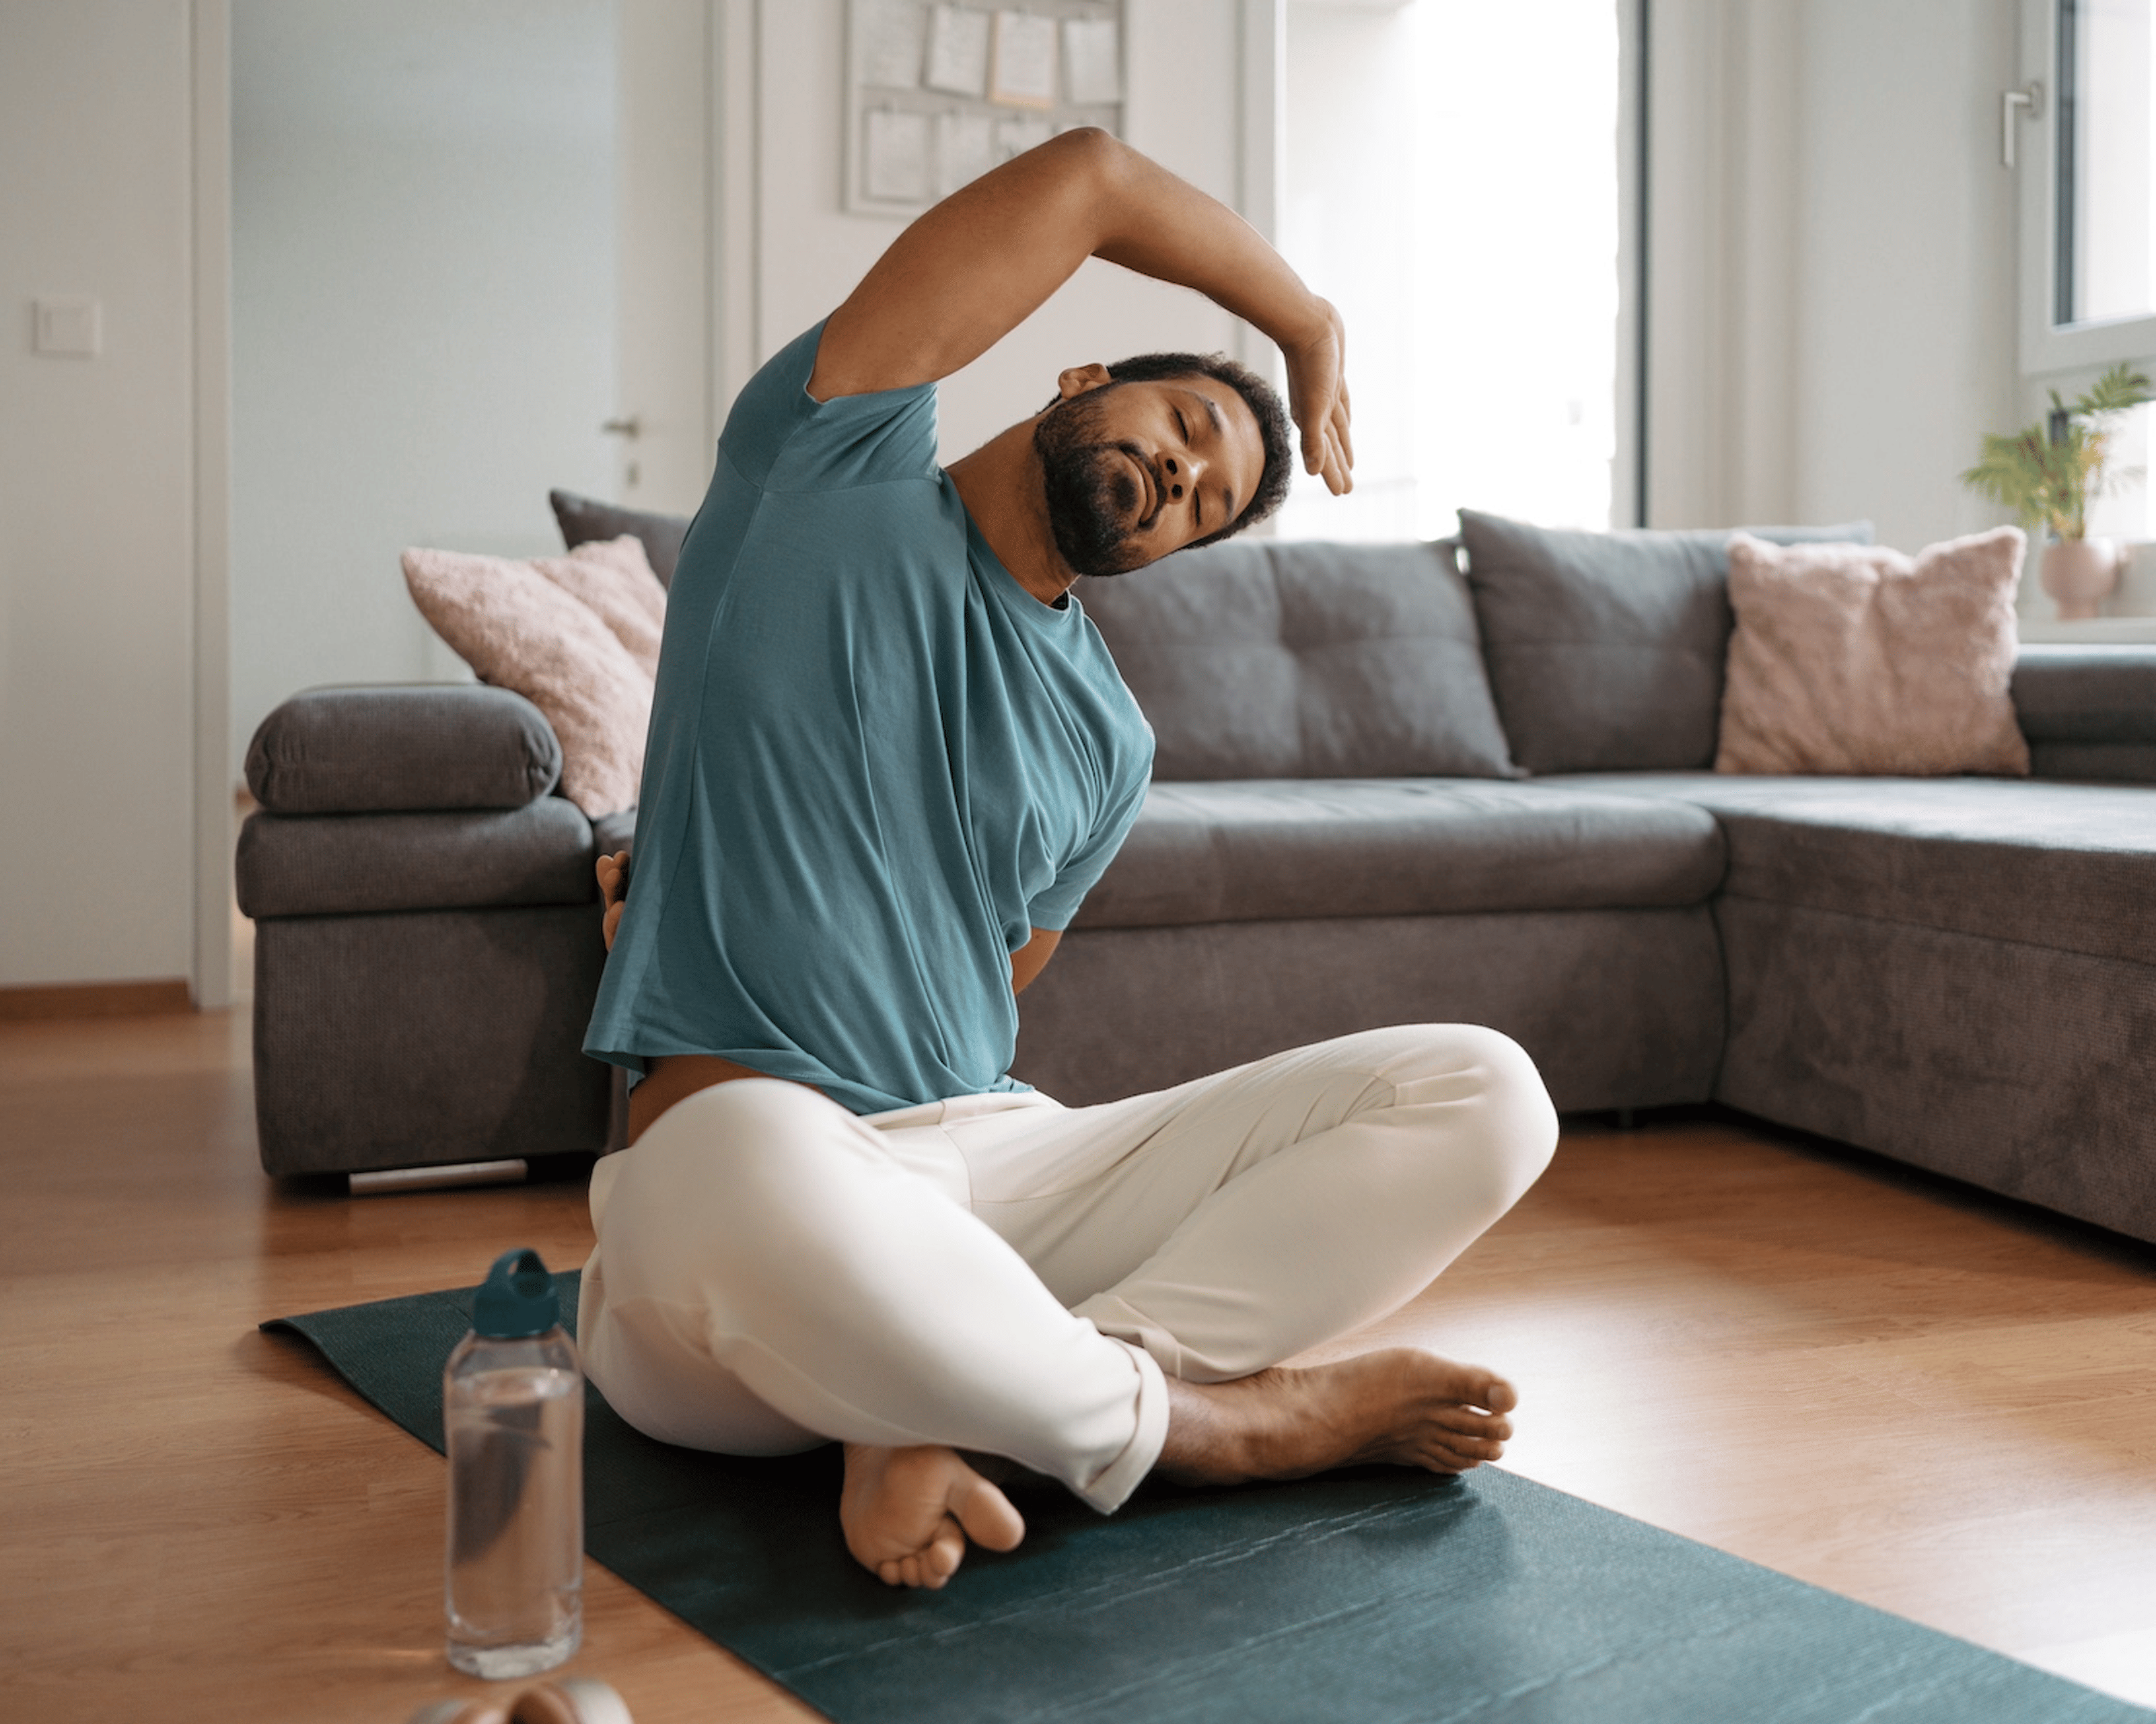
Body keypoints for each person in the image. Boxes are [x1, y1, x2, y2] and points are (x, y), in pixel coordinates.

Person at [577, 127, 1558, 1590]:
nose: (1179, 476)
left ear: (1174, 556)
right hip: (758, 1174)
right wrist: (1304, 323)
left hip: (996, 1158)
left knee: (1489, 1092)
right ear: (1083, 384)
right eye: (1182, 427)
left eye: (1209, 502)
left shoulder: (1111, 742)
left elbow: (1000, 968)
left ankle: (985, 1405)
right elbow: (1093, 180)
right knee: (731, 1154)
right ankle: (1220, 1430)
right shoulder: (825, 469)